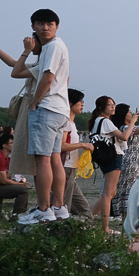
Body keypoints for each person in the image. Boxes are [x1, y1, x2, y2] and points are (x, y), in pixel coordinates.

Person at [18, 9, 70, 225]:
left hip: (47, 108)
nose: (45, 27)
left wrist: (35, 101)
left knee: (43, 159)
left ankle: (43, 209)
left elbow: (48, 77)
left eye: (49, 23)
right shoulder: (59, 46)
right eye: (40, 23)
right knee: (55, 159)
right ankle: (59, 207)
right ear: (33, 26)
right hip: (60, 110)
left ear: (56, 26)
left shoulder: (52, 47)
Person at [0, 30, 41, 179]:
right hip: (31, 106)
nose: (30, 42)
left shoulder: (43, 64)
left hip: (33, 106)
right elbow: (12, 63)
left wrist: (26, 50)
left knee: (38, 156)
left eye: (34, 40)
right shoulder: (38, 63)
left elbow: (15, 72)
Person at [86, 96, 138, 233]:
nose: (113, 107)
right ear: (101, 108)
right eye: (110, 105)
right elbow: (124, 136)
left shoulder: (97, 121)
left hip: (106, 158)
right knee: (108, 194)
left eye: (114, 104)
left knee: (111, 193)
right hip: (113, 157)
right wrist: (132, 123)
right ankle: (105, 228)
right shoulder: (106, 122)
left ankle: (90, 216)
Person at [60, 88, 94, 217]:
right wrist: (82, 144)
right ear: (70, 103)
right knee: (64, 205)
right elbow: (61, 146)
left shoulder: (72, 123)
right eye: (80, 101)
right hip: (65, 167)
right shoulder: (65, 122)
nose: (83, 104)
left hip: (71, 168)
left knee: (84, 209)